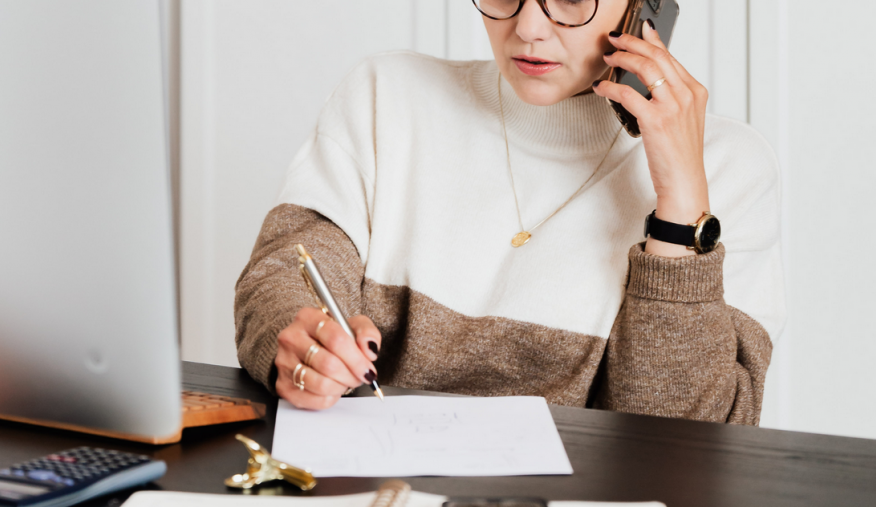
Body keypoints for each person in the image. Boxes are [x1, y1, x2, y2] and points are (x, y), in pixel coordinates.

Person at [234, 0, 784, 425]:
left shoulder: (727, 167)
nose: (527, 28)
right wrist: (302, 342)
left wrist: (681, 209)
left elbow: (678, 441)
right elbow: (283, 276)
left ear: (646, 10)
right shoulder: (388, 96)